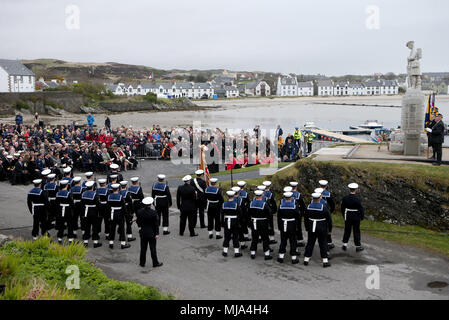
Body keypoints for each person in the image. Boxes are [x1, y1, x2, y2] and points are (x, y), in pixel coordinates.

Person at [303, 192, 332, 268]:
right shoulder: (324, 207)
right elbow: (329, 220)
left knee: (310, 243)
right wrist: (330, 229)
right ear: (320, 198)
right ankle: (325, 261)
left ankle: (306, 259)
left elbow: (305, 219)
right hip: (322, 228)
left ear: (312, 198)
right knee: (323, 244)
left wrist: (306, 227)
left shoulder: (308, 207)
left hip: (311, 228)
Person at [137, 197, 163, 268]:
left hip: (143, 233)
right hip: (152, 233)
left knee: (143, 249)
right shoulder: (153, 213)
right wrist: (157, 233)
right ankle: (155, 263)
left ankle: (142, 263)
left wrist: (140, 228)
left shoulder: (139, 212)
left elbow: (138, 222)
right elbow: (156, 224)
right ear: (150, 204)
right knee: (153, 249)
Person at [277, 191, 300, 264]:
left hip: (283, 225)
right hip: (292, 225)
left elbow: (278, 217)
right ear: (291, 198)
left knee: (283, 241)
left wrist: (280, 226)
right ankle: (293, 258)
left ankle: (281, 256)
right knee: (293, 241)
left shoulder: (280, 206)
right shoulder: (294, 206)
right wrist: (297, 226)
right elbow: (298, 217)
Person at [248, 189, 272, 260]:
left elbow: (248, 214)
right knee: (265, 238)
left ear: (255, 196)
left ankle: (253, 253)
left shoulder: (251, 203)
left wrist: (249, 223)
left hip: (254, 222)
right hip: (263, 223)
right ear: (262, 195)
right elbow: (269, 214)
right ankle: (266, 254)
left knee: (254, 238)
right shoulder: (264, 204)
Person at [341, 183, 365, 252]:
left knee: (347, 230)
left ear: (349, 189)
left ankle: (344, 244)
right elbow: (361, 209)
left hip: (348, 215)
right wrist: (362, 217)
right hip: (356, 216)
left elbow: (342, 208)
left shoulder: (345, 198)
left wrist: (344, 215)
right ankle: (357, 246)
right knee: (356, 231)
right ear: (356, 190)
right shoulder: (357, 199)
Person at [221, 190, 243, 258]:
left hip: (227, 221)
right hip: (235, 221)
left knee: (227, 236)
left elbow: (222, 215)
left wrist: (222, 224)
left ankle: (225, 251)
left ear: (227, 196)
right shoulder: (236, 204)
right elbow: (240, 214)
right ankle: (236, 252)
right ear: (233, 196)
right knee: (235, 236)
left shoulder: (224, 204)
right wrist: (239, 223)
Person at [81, 181, 102, 248]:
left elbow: (82, 204)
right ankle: (95, 242)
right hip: (93, 212)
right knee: (94, 227)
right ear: (93, 187)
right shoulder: (95, 194)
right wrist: (99, 213)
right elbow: (98, 205)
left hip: (86, 212)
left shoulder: (83, 194)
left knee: (86, 227)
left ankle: (85, 242)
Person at [318, 180, 336, 250]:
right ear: (326, 186)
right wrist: (330, 211)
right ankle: (328, 243)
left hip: (318, 212)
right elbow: (332, 205)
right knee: (328, 227)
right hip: (326, 212)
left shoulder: (316, 193)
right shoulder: (328, 194)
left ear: (320, 185)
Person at [290, 181, 306, 247]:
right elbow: (302, 205)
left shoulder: (287, 194)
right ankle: (299, 240)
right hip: (297, 213)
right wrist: (302, 213)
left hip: (289, 213)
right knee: (298, 227)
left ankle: (292, 239)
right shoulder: (299, 195)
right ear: (296, 187)